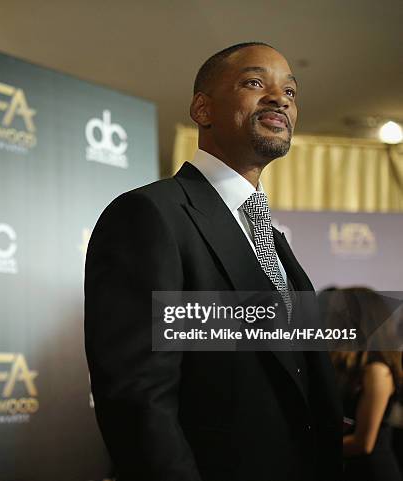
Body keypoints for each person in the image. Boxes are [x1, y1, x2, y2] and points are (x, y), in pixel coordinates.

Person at [84, 42, 342, 481]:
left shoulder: (272, 237)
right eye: (255, 82)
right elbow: (138, 397)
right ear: (203, 109)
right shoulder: (149, 215)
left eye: (291, 92)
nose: (280, 98)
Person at [326, 287, 403, 481]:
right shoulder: (347, 364)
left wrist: (314, 448)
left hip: (372, 472)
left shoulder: (377, 370)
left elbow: (364, 443)